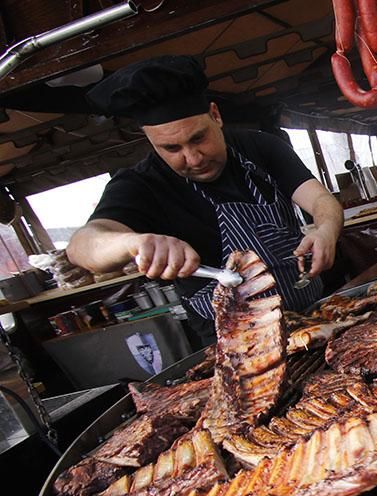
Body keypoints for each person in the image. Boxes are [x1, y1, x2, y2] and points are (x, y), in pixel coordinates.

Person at [67, 55, 344, 345]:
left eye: (199, 138)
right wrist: (132, 243)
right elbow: (82, 246)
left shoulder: (262, 147)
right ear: (149, 140)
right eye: (172, 148)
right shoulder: (141, 184)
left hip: (312, 314)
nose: (193, 158)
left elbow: (321, 200)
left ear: (215, 115)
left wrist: (325, 229)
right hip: (236, 343)